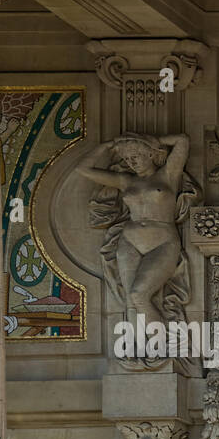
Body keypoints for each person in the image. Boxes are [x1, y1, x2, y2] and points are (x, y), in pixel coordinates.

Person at [78, 133, 194, 323]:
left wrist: (154, 141)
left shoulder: (168, 174)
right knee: (130, 302)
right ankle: (138, 350)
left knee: (139, 295)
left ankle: (163, 347)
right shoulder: (126, 181)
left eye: (135, 156)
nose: (131, 162)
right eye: (127, 159)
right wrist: (107, 144)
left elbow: (183, 140)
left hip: (163, 242)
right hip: (129, 242)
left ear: (149, 154)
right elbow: (83, 169)